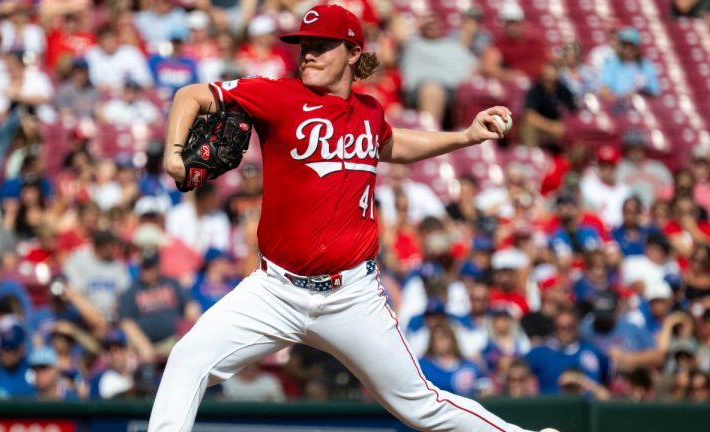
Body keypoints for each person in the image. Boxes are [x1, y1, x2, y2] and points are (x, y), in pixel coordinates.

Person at [151, 5, 557, 432]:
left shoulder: (369, 111)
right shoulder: (278, 94)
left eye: (321, 47)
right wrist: (174, 154)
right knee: (187, 359)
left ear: (351, 52)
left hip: (352, 296)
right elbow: (190, 95)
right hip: (275, 291)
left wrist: (465, 136)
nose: (307, 55)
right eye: (304, 47)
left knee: (420, 405)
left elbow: (393, 143)